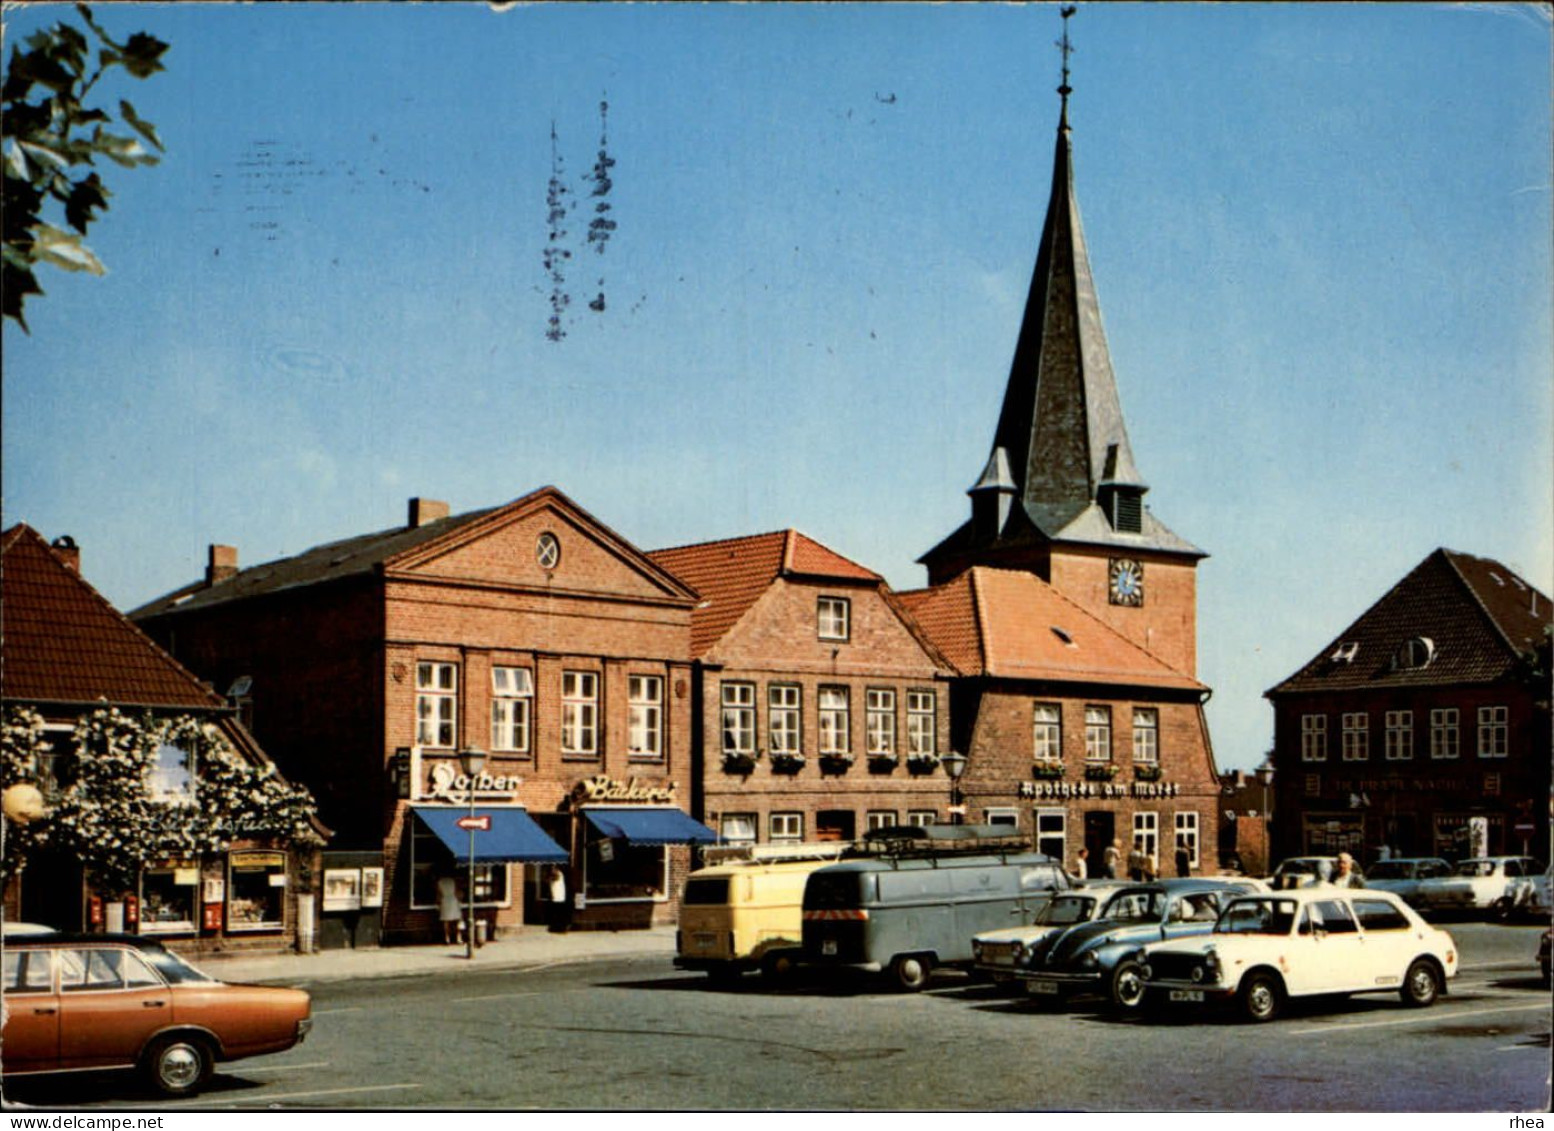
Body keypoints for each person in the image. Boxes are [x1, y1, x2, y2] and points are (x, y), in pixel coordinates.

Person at [436, 872, 462, 945]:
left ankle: (447, 938)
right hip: (453, 901)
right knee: (457, 920)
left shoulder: (439, 882)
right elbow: (457, 892)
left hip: (445, 901)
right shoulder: (453, 881)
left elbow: (439, 894)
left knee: (446, 921)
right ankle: (458, 938)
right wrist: (460, 900)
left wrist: (438, 903)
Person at [545, 864, 570, 932]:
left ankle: (560, 928)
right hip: (556, 897)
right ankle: (556, 927)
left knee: (559, 914)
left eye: (553, 869)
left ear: (556, 869)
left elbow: (554, 878)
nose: (552, 870)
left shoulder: (559, 874)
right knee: (556, 914)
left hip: (559, 898)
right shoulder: (555, 875)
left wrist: (549, 878)